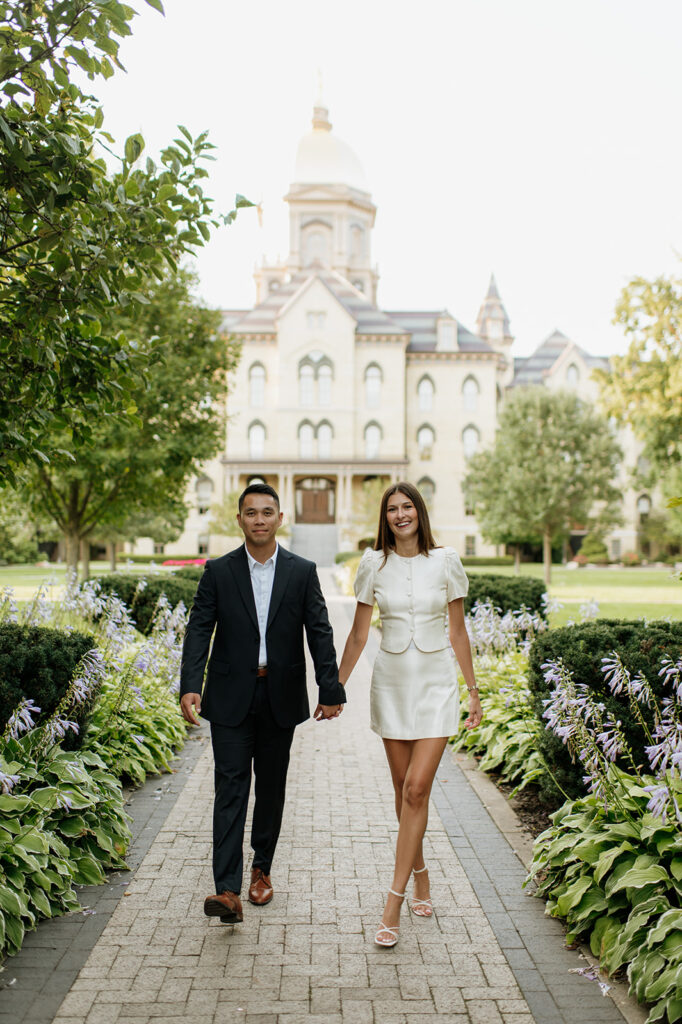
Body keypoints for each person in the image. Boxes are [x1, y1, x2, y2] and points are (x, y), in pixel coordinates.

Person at [179, 482, 346, 924]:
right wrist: (190, 683)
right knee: (230, 789)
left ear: (279, 519)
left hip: (279, 696)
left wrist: (330, 690)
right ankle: (228, 889)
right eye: (250, 513)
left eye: (266, 512)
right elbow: (199, 629)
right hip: (230, 696)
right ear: (240, 519)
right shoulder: (218, 571)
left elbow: (320, 631)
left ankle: (261, 870)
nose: (259, 520)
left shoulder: (301, 570)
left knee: (270, 790)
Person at [337, 481, 482, 947]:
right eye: (392, 509)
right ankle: (420, 872)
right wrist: (333, 686)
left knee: (418, 789)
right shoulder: (372, 564)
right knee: (404, 793)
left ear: (419, 512)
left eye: (407, 507)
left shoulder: (446, 561)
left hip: (437, 684)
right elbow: (359, 635)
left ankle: (392, 901)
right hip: (393, 684)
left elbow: (458, 631)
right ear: (386, 518)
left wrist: (473, 691)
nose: (401, 515)